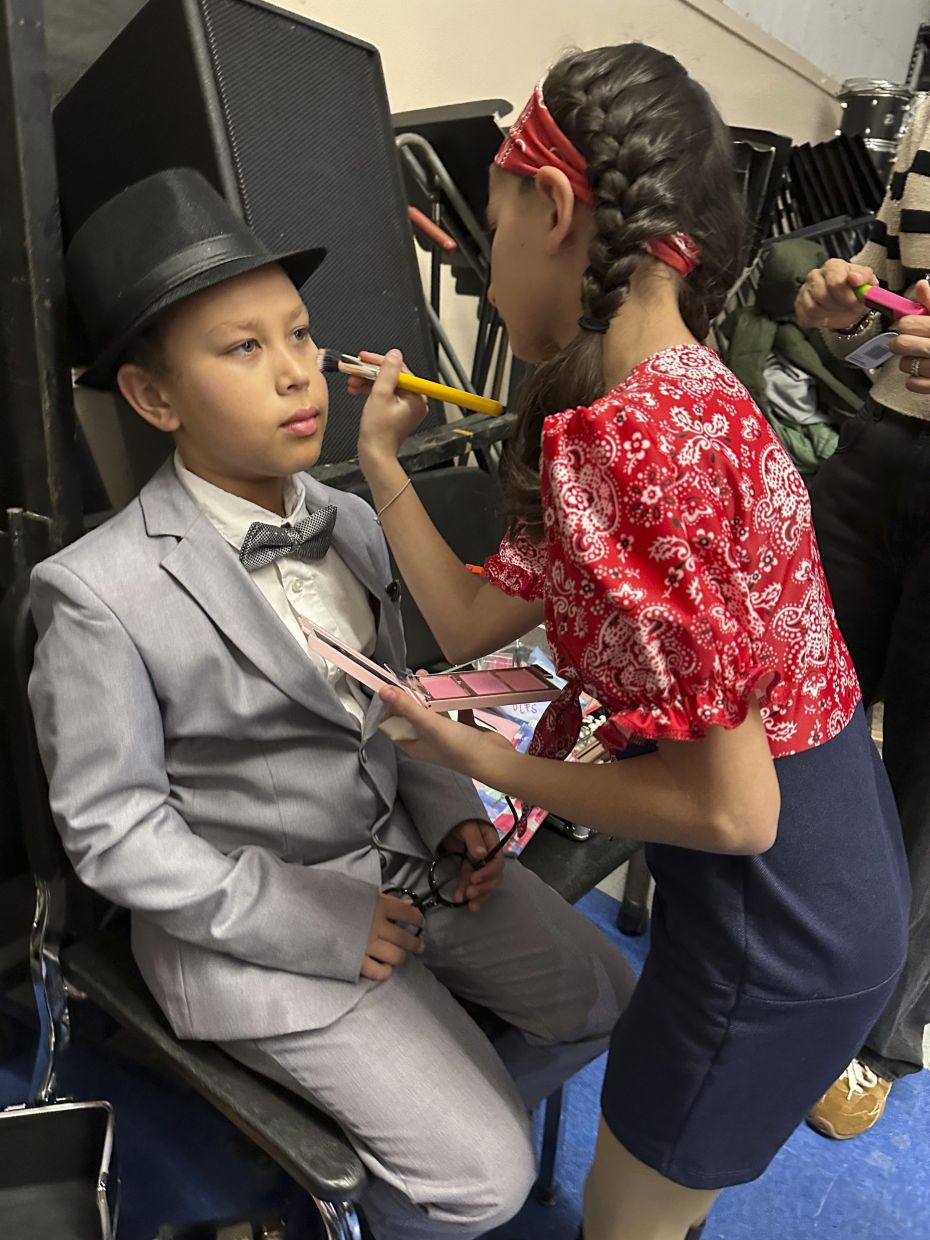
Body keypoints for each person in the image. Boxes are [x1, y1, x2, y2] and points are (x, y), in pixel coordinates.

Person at [347, 45, 910, 1240]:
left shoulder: (632, 446)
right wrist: (383, 462)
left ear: (553, 209)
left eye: (490, 235)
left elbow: (733, 811)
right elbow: (469, 619)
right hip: (828, 879)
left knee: (627, 1216)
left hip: (776, 918)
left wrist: (491, 763)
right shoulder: (680, 395)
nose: (489, 281)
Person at [27, 167, 636, 1240]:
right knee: (484, 1184)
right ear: (154, 397)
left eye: (299, 334)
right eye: (243, 348)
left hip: (415, 858)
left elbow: (399, 703)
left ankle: (402, 1122)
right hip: (264, 916)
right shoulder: (94, 594)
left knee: (606, 996)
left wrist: (450, 808)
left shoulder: (354, 521)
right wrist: (317, 920)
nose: (299, 373)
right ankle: (338, 1203)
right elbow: (113, 833)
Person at [794, 92, 930, 1141]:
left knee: (924, 785)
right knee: (797, 699)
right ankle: (778, 945)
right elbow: (888, 276)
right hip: (888, 436)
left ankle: (878, 1034)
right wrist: (848, 306)